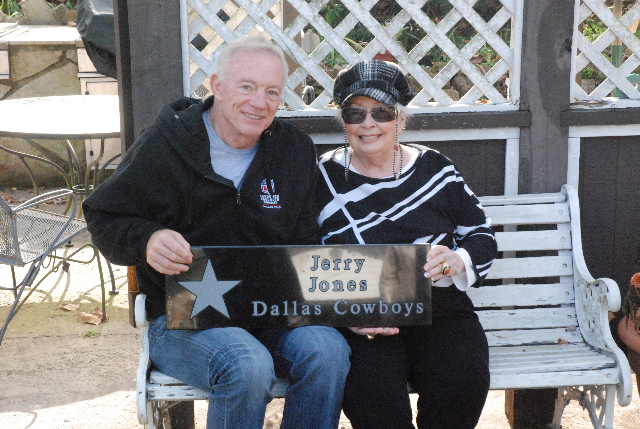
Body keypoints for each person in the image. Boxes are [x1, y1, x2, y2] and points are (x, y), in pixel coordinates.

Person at [83, 36, 350, 429]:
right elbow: (104, 216)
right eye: (246, 87)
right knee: (246, 364)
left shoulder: (294, 150)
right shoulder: (168, 142)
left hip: (272, 312)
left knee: (329, 351)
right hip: (182, 318)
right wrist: (148, 239)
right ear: (216, 86)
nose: (259, 102)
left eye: (271, 91)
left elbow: (307, 244)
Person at [316, 60, 498, 429]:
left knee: (462, 380)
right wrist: (344, 316)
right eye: (356, 113)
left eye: (381, 112)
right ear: (344, 122)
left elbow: (481, 234)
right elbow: (304, 257)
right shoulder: (322, 177)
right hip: (363, 313)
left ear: (400, 119)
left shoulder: (435, 168)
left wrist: (457, 260)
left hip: (438, 305)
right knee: (374, 394)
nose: (369, 124)